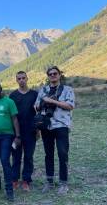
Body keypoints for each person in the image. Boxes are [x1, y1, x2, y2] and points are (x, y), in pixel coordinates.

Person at [34, 66, 75, 195]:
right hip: (47, 125)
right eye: (50, 74)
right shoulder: (43, 90)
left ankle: (63, 183)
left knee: (63, 154)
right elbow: (36, 106)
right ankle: (49, 182)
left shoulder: (67, 90)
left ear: (59, 75)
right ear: (48, 76)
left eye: (55, 73)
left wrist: (51, 101)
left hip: (62, 125)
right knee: (48, 155)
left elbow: (70, 106)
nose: (52, 75)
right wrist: (40, 105)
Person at [0, 81, 21, 202]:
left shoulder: (9, 102)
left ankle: (9, 190)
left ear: (1, 89)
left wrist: (17, 136)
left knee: (4, 160)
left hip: (7, 136)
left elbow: (15, 119)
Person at [9, 71, 38, 192]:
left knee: (28, 157)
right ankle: (14, 180)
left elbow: (38, 113)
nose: (21, 80)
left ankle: (26, 180)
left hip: (30, 131)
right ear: (16, 80)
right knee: (16, 157)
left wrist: (38, 130)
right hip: (16, 133)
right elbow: (11, 115)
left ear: (27, 79)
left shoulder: (35, 94)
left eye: (23, 78)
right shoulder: (12, 96)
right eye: (19, 78)